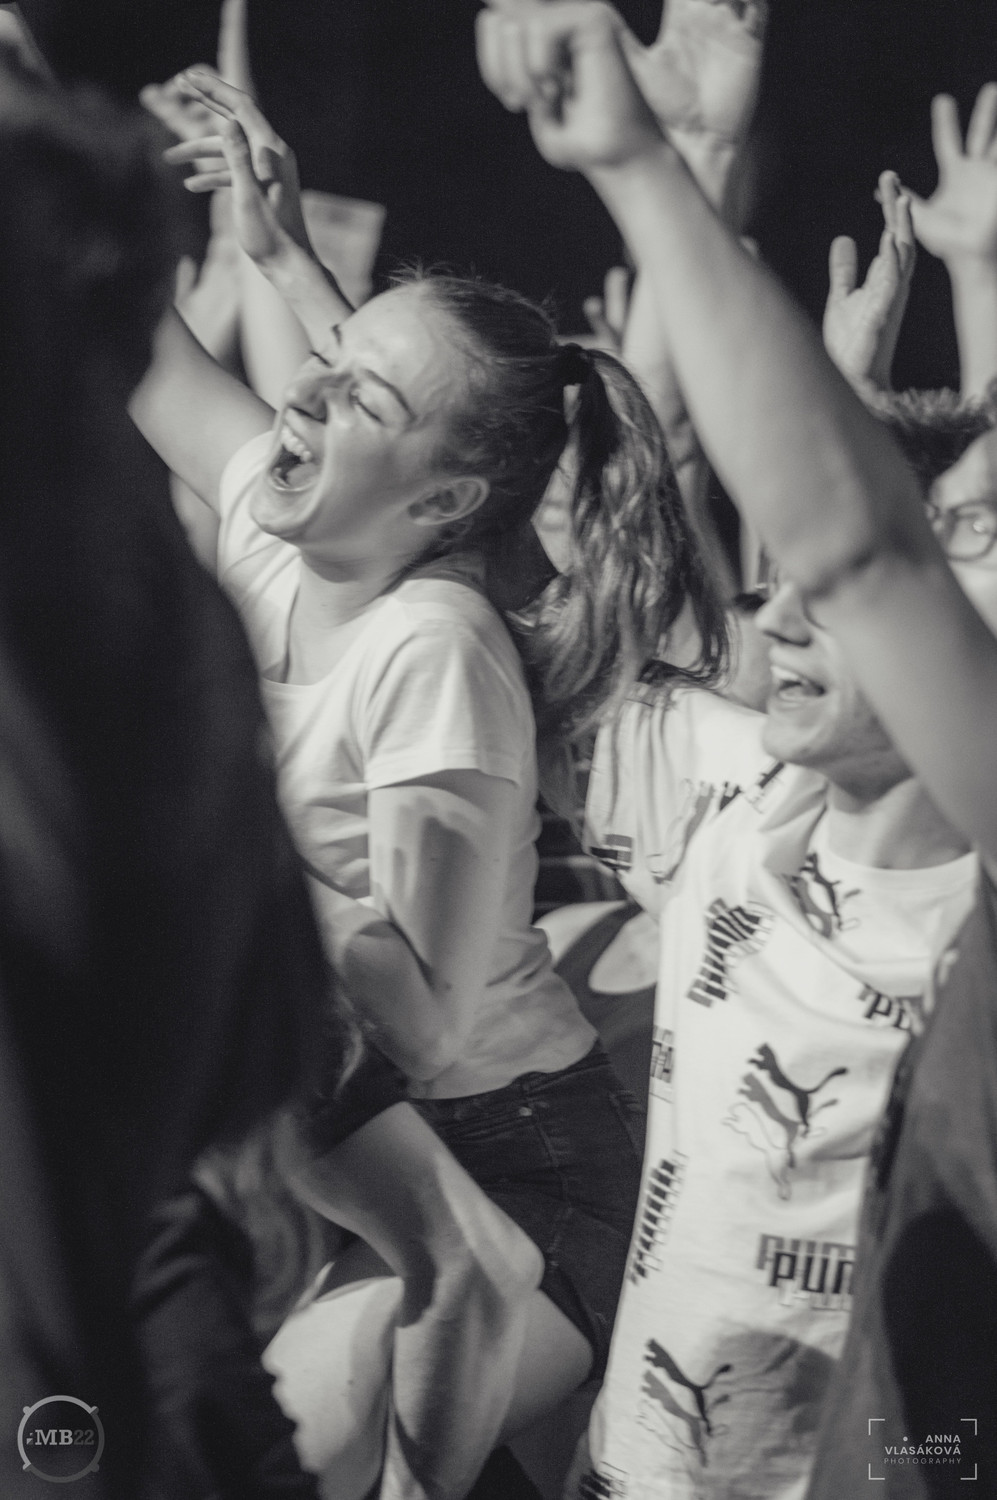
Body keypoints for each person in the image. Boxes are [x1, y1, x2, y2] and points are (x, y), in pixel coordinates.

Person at [128, 62, 728, 1491]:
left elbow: (421, 1010)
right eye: (320, 367)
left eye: (356, 395)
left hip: (508, 1177)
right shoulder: (279, 533)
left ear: (450, 501)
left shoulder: (434, 648)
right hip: (334, 1147)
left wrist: (222, 851)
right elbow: (137, 348)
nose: (300, 391)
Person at [475, 4, 997, 1494]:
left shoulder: (973, 909)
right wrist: (678, 159)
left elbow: (865, 552)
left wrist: (652, 168)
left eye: (964, 543)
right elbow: (578, 540)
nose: (778, 610)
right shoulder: (731, 787)